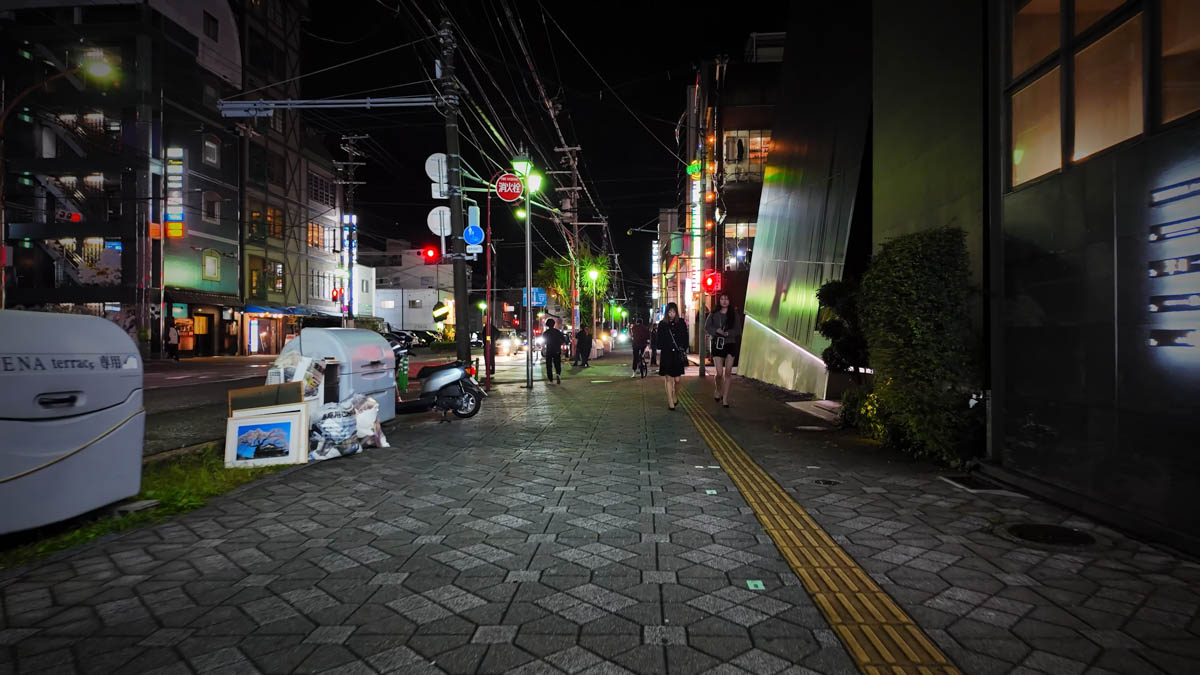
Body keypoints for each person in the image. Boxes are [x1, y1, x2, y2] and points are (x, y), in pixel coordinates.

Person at [704, 292, 742, 407]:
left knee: (728, 372)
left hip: (730, 343)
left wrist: (728, 333)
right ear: (719, 301)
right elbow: (707, 327)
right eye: (722, 299)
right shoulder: (714, 314)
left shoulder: (734, 314)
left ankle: (725, 398)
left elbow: (738, 330)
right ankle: (717, 389)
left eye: (726, 299)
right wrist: (717, 331)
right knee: (719, 373)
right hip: (717, 344)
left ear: (729, 301)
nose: (724, 301)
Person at [656, 302, 688, 410]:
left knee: (678, 380)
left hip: (677, 354)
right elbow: (659, 340)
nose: (672, 314)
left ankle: (675, 394)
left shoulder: (681, 323)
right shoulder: (662, 324)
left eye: (674, 312)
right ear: (666, 313)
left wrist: (683, 347)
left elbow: (685, 337)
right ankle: (670, 401)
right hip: (667, 354)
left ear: (676, 312)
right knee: (669, 378)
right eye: (670, 312)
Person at [542, 319, 567, 384]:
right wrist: (563, 349)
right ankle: (558, 374)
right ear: (554, 324)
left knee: (549, 365)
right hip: (557, 350)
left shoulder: (546, 333)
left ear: (547, 325)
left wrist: (543, 350)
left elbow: (544, 343)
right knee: (557, 363)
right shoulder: (558, 332)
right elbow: (563, 341)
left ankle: (551, 379)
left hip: (549, 350)